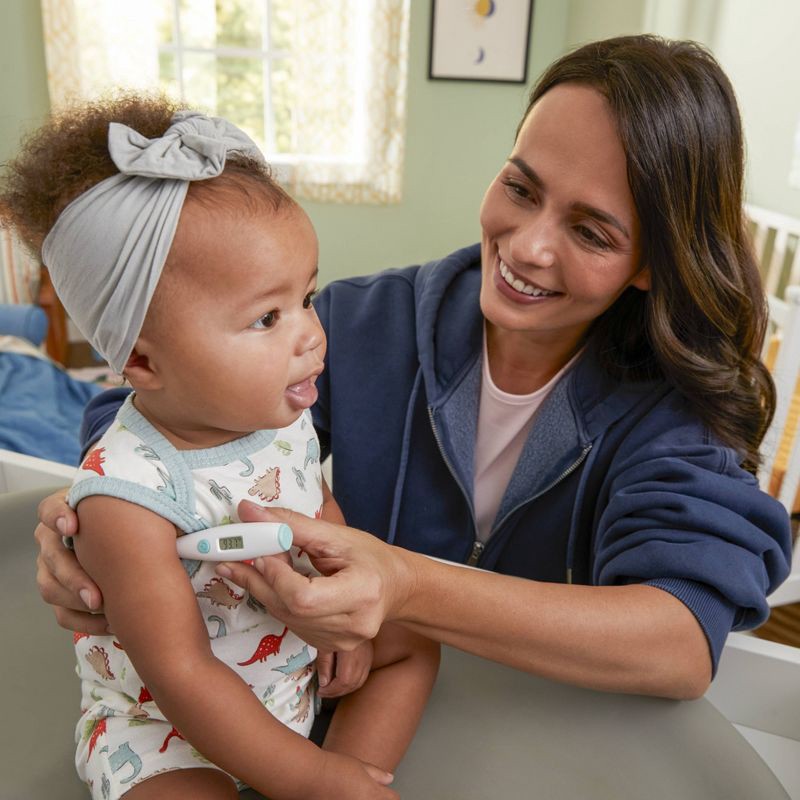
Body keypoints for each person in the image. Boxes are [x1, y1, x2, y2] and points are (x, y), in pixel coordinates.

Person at [34, 35, 791, 707]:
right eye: (521, 189)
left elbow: (682, 644)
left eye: (590, 231)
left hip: (531, 725)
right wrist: (98, 516)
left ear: (653, 264)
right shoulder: (368, 320)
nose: (526, 246)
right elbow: (180, 397)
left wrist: (405, 585)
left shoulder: (671, 410)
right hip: (340, 693)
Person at [1, 96, 438, 800]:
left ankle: (351, 773)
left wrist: (345, 626)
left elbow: (316, 502)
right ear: (143, 364)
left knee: (413, 646)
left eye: (307, 296)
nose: (309, 334)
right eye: (267, 317)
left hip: (290, 656)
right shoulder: (126, 498)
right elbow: (180, 672)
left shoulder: (279, 409)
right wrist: (309, 775)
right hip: (169, 726)